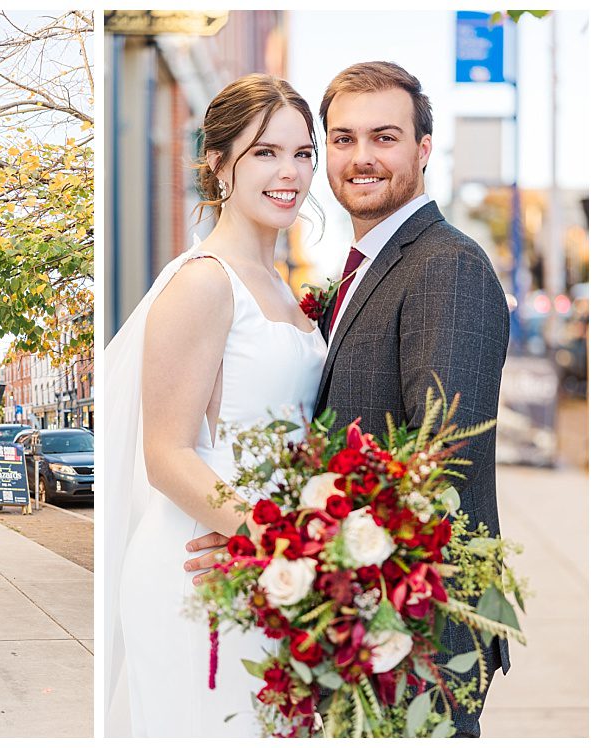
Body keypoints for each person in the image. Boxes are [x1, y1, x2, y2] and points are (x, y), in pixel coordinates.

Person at [185, 61, 510, 737]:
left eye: (384, 137)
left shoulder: (444, 266)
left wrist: (274, 545)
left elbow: (435, 469)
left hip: (411, 638)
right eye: (341, 139)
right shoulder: (365, 271)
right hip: (350, 626)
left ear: (423, 149)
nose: (361, 158)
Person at [105, 74, 328, 737]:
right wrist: (275, 540)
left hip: (272, 567)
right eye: (265, 152)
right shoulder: (204, 282)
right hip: (206, 566)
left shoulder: (285, 288)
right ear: (217, 161)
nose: (290, 172)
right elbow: (166, 453)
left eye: (303, 152)